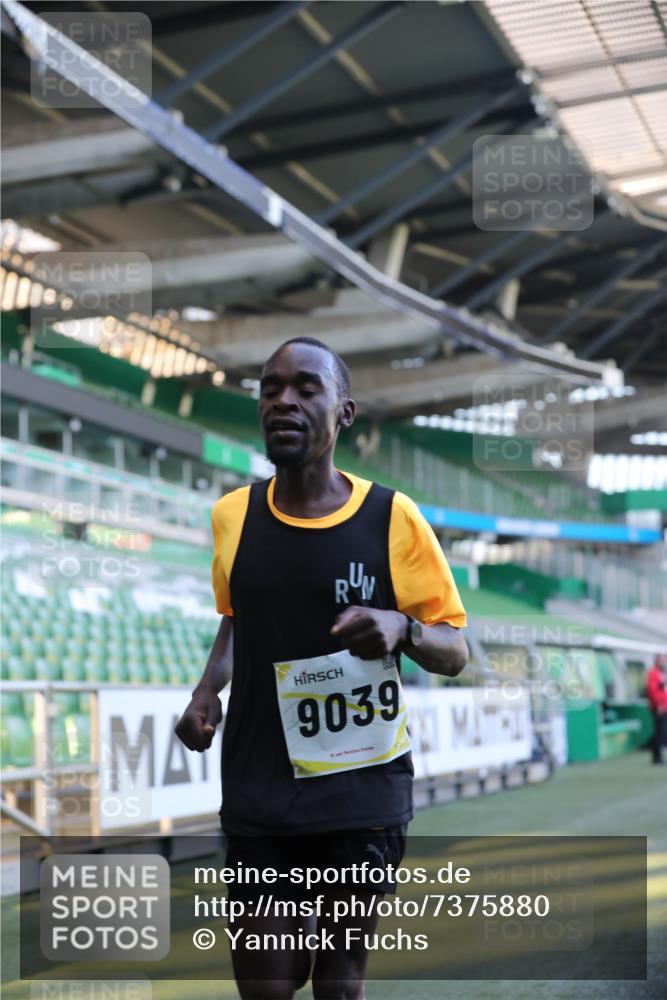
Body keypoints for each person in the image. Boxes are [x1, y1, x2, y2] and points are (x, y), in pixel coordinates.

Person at [176, 337, 468, 1000]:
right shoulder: (231, 516)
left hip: (361, 791)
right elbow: (235, 618)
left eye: (306, 388)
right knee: (266, 986)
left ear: (345, 412)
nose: (283, 400)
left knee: (337, 983)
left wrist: (404, 628)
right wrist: (204, 693)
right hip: (259, 789)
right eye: (270, 387)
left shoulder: (392, 517)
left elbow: (454, 650)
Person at [646, 654, 667, 765]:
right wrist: (659, 704)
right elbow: (652, 690)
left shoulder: (661, 673)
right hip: (659, 707)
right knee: (659, 732)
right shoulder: (653, 673)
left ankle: (658, 756)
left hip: (664, 706)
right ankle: (657, 757)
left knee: (661, 732)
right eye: (662, 659)